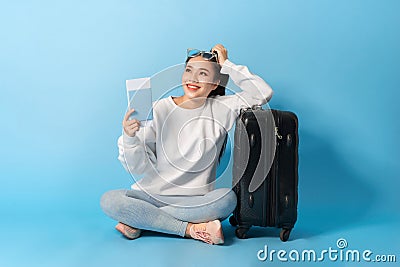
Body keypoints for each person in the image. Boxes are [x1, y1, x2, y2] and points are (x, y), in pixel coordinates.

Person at [100, 44, 273, 245]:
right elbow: (138, 167)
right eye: (189, 71)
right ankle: (190, 229)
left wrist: (227, 64)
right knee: (110, 200)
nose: (193, 79)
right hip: (152, 196)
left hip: (195, 202)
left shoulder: (222, 108)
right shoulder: (159, 109)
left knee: (227, 199)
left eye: (203, 73)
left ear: (216, 82)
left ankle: (141, 220)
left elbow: (263, 92)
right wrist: (130, 138)